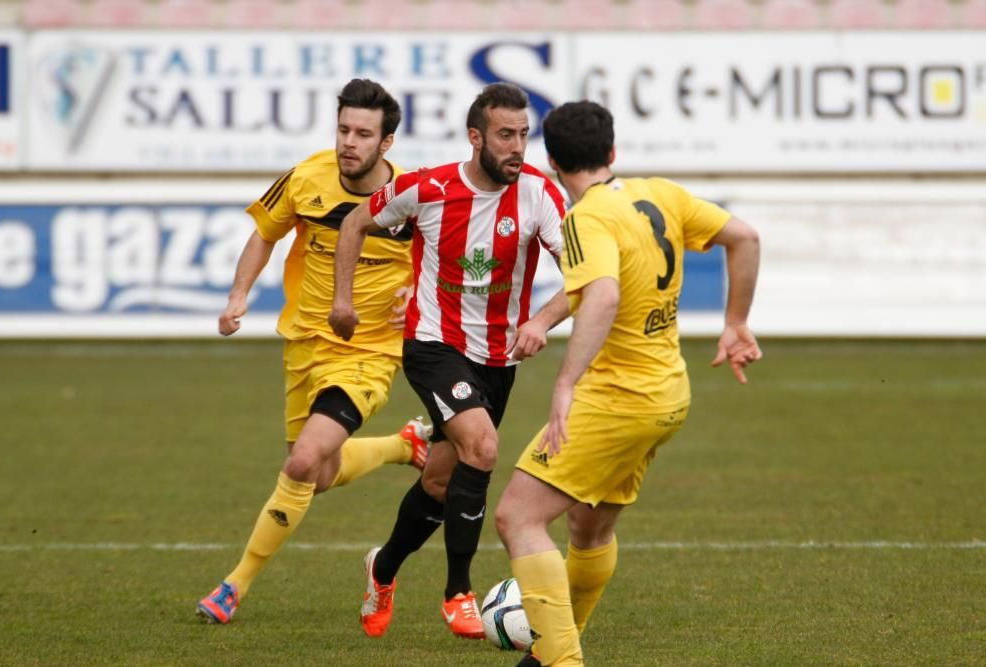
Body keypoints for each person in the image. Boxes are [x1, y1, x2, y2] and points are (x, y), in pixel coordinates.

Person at [494, 100, 763, 666]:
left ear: (550, 160)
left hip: (618, 399)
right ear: (611, 152)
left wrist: (565, 383)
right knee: (588, 526)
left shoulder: (584, 218)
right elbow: (745, 237)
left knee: (517, 516)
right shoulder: (659, 194)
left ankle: (561, 659)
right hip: (667, 396)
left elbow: (604, 293)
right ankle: (550, 654)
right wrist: (735, 322)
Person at [329, 82, 568, 640]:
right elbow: (354, 223)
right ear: (475, 137)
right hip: (434, 344)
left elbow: (583, 277)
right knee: (482, 448)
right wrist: (343, 301)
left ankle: (382, 568)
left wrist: (539, 321)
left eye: (524, 136)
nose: (517, 147)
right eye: (505, 135)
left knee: (440, 481)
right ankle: (458, 591)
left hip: (498, 357)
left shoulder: (539, 194)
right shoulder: (427, 188)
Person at [196, 79, 431, 625]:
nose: (349, 141)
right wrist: (238, 295)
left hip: (369, 355)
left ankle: (233, 586)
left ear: (386, 143)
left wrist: (414, 292)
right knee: (316, 475)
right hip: (304, 346)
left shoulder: (413, 196)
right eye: (344, 129)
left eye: (363, 133)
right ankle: (404, 447)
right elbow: (265, 234)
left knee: (301, 462)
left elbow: (444, 255)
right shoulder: (307, 177)